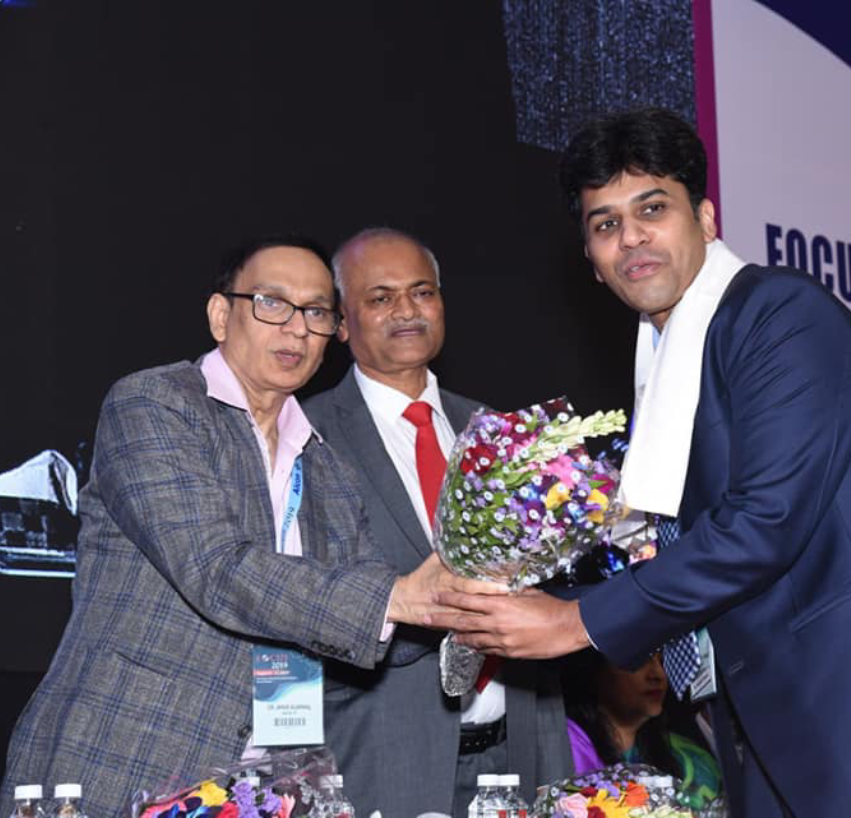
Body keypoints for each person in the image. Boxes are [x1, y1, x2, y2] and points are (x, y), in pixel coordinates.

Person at [430, 108, 851, 818]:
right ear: (591, 259)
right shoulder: (667, 361)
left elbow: (765, 521)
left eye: (652, 209)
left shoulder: (779, 315)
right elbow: (678, 542)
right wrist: (508, 588)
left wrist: (572, 622)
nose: (631, 237)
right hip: (770, 718)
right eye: (606, 224)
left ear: (706, 218)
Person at [0, 235, 493, 818]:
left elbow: (376, 621)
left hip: (266, 788)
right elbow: (216, 567)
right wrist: (404, 596)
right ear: (220, 315)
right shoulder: (155, 404)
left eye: (316, 312)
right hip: (128, 757)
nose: (296, 329)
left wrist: (469, 604)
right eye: (272, 303)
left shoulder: (327, 467)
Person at [303, 228, 573, 818]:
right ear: (341, 323)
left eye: (422, 292)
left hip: (518, 751)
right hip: (382, 761)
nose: (407, 310)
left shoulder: (499, 433)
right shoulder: (306, 435)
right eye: (381, 298)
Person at [561, 649, 720, 808]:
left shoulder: (691, 760)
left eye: (660, 660)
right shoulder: (569, 748)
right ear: (596, 670)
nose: (658, 675)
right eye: (638, 661)